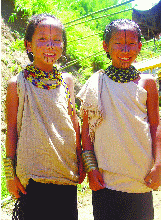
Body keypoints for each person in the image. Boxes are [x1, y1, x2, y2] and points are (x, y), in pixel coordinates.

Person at [77, 19, 161, 220]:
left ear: (139, 47)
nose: (125, 49)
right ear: (105, 46)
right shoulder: (95, 82)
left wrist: (157, 166)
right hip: (106, 178)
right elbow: (86, 131)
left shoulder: (147, 83)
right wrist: (91, 168)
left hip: (140, 176)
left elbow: (155, 125)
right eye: (118, 43)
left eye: (132, 43)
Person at [4, 13, 85, 220]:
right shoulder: (17, 84)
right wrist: (9, 174)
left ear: (63, 45)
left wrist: (82, 159)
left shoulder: (67, 81)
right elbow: (12, 130)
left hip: (64, 171)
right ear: (28, 45)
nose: (50, 45)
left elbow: (73, 122)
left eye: (57, 40)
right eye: (42, 39)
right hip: (32, 175)